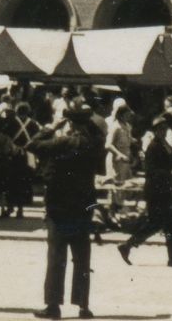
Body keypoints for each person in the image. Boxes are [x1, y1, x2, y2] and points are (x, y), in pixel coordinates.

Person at [30, 108, 104, 320]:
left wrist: (52, 127)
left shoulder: (63, 143)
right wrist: (85, 121)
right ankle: (83, 306)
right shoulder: (92, 145)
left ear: (69, 123)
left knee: (56, 257)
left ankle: (53, 305)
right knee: (81, 259)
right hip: (82, 208)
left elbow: (31, 145)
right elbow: (99, 134)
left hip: (59, 209)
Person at [119, 115, 172, 268]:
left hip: (164, 190)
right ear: (156, 131)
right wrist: (170, 174)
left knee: (159, 224)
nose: (163, 132)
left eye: (165, 129)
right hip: (157, 191)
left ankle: (128, 245)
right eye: (161, 129)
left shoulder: (163, 145)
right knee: (166, 223)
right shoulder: (153, 147)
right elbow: (152, 171)